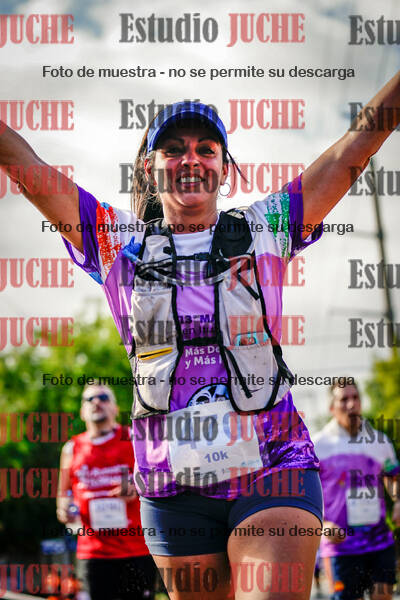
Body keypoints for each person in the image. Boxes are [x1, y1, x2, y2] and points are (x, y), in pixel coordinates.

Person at [2, 71, 400, 600]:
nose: (190, 159)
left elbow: (356, 145)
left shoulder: (267, 227)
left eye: (206, 149)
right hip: (173, 489)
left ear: (224, 168)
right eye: (173, 149)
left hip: (274, 469)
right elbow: (26, 168)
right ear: (150, 167)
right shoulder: (117, 243)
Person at [57, 382, 158, 600]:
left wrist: (138, 486)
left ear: (115, 408)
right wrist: (64, 510)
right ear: (82, 411)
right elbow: (63, 495)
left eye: (103, 398)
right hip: (93, 552)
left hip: (136, 548)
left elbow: (161, 478)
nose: (96, 402)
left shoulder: (135, 439)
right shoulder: (71, 448)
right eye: (89, 399)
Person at [314, 381, 400, 600]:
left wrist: (398, 501)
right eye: (344, 399)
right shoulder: (318, 446)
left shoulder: (379, 441)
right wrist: (323, 525)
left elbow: (392, 476)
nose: (351, 404)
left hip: (379, 540)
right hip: (341, 546)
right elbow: (306, 493)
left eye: (355, 398)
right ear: (331, 407)